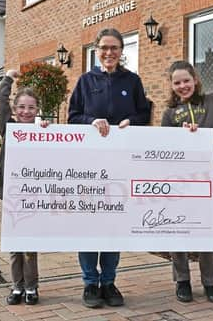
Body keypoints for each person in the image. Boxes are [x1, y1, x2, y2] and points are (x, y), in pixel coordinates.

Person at [68, 27, 151, 308]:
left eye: (114, 47)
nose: (109, 52)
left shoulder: (133, 80)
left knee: (114, 224)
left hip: (121, 164)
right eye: (104, 47)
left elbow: (144, 114)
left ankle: (110, 282)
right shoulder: (85, 81)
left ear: (121, 50)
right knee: (90, 225)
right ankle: (91, 283)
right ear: (97, 49)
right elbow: (72, 117)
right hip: (89, 166)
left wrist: (133, 122)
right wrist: (90, 120)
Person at [161, 34, 213, 303]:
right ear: (172, 87)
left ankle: (210, 282)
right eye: (177, 82)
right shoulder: (169, 115)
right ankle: (182, 280)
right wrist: (182, 136)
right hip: (178, 179)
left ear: (195, 81)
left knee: (205, 231)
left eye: (186, 80)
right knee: (179, 231)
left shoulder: (210, 100)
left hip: (205, 177)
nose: (182, 85)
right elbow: (163, 150)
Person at [0, 69, 49, 306]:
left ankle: (32, 287)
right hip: (11, 193)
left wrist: (47, 129)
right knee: (15, 242)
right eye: (22, 107)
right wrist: (7, 80)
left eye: (31, 108)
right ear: (15, 110)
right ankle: (17, 287)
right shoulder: (9, 128)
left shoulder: (41, 131)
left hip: (33, 195)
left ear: (37, 110)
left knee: (30, 244)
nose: (26, 112)